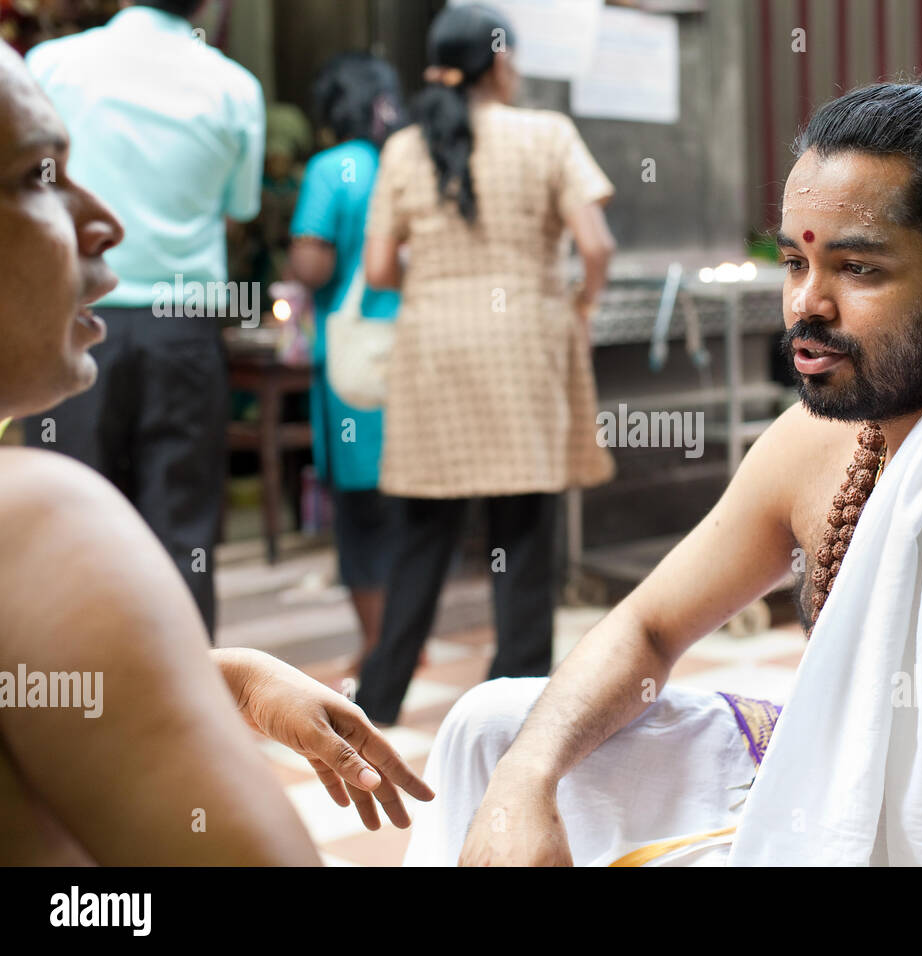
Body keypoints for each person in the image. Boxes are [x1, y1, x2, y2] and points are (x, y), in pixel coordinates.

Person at [403, 63, 922, 867]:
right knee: (493, 729)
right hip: (836, 795)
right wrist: (525, 780)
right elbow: (648, 629)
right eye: (794, 261)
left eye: (856, 268)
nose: (807, 303)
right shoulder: (818, 438)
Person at [0, 40, 432, 864]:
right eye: (37, 178)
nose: (106, 221)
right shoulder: (37, 518)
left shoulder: (62, 60)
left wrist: (211, 679)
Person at [356, 2, 617, 725]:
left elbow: (378, 269)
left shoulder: (404, 147)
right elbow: (595, 246)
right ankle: (515, 701)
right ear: (500, 62)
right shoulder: (547, 134)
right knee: (525, 533)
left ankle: (379, 697)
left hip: (433, 349)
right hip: (524, 344)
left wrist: (441, 282)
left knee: (424, 533)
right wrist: (581, 303)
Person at [20, 0, 266, 638]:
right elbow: (238, 205)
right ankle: (189, 714)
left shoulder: (52, 65)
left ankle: (68, 716)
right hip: (183, 326)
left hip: (71, 321)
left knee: (66, 525)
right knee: (182, 528)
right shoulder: (235, 87)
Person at [288, 53, 406, 677]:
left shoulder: (332, 169)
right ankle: (405, 639)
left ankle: (378, 644)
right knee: (411, 504)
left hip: (356, 365)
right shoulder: (413, 162)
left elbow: (313, 265)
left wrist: (292, 263)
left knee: (361, 509)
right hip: (414, 354)